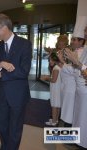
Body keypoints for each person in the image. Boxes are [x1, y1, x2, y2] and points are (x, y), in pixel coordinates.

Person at [0, 14, 32, 150]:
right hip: (2, 94)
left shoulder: (24, 44)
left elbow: (24, 71)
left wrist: (1, 74)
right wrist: (1, 63)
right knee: (2, 126)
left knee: (15, 128)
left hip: (18, 95)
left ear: (5, 27)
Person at [61, 16, 87, 149]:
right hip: (77, 89)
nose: (73, 41)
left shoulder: (81, 51)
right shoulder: (80, 51)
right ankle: (75, 139)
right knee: (76, 118)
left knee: (81, 120)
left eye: (75, 39)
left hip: (82, 89)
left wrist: (66, 63)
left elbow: (76, 70)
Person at [42, 52, 63, 126]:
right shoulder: (59, 67)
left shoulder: (56, 68)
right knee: (57, 105)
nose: (49, 61)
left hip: (55, 89)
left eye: (51, 60)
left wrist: (46, 78)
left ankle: (54, 121)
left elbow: (54, 80)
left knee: (54, 105)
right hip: (58, 88)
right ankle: (56, 120)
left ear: (55, 60)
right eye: (49, 60)